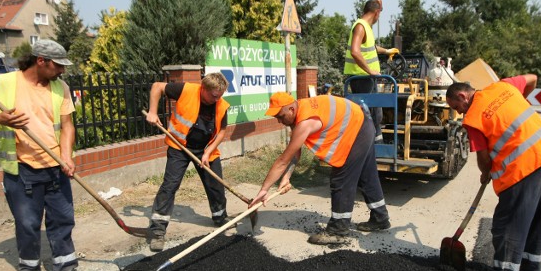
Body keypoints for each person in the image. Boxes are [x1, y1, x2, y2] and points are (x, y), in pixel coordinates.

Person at [0, 39, 95, 271]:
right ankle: (29, 269)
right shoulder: (4, 84)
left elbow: (67, 125)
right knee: (28, 223)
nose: (62, 70)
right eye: (58, 65)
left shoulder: (60, 87)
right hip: (22, 169)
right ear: (41, 61)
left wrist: (67, 156)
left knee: (62, 219)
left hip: (55, 166)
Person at [446, 74, 541, 271]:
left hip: (524, 168)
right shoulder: (503, 86)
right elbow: (533, 78)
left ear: (463, 96)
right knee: (536, 219)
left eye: (457, 107)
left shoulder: (473, 118)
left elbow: (483, 158)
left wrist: (485, 173)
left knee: (507, 225)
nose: (459, 112)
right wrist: (520, 101)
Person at [249, 92, 390, 245]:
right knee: (367, 176)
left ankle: (337, 230)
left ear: (291, 109)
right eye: (276, 117)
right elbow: (295, 152)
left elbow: (283, 161)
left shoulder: (305, 122)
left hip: (356, 130)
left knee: (341, 179)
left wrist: (264, 190)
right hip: (363, 123)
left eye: (281, 116)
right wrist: (286, 177)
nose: (279, 121)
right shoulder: (300, 108)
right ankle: (380, 218)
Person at [145, 72, 230, 252]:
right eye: (214, 96)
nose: (217, 99)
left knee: (215, 184)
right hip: (180, 147)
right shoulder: (186, 90)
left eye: (220, 96)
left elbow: (222, 131)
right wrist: (152, 112)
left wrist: (208, 152)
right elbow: (157, 87)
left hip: (206, 148)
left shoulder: (221, 105)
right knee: (170, 185)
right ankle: (158, 230)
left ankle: (220, 217)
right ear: (203, 88)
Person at [344, 0, 399, 143]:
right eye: (379, 14)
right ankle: (371, 146)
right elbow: (356, 52)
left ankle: (376, 145)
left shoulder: (366, 27)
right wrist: (370, 71)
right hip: (362, 78)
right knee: (370, 115)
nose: (378, 18)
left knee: (375, 115)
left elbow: (371, 48)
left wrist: (386, 51)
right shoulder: (360, 26)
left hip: (367, 78)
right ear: (376, 12)